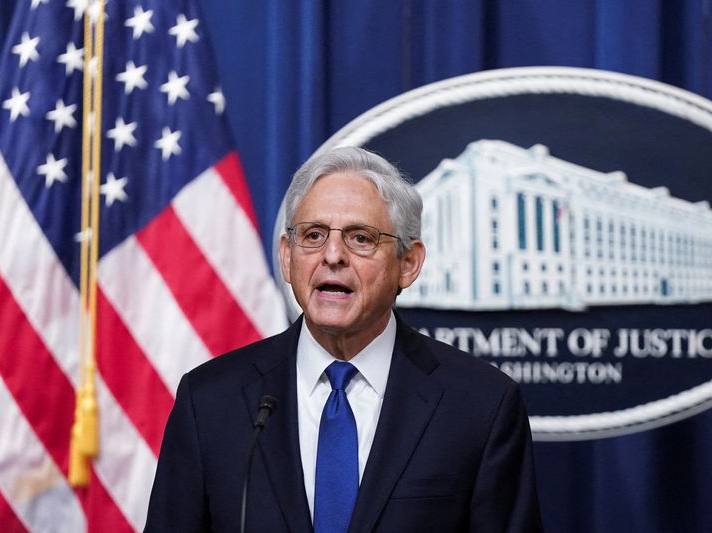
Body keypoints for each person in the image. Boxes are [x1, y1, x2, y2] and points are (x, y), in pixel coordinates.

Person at [145, 146, 543, 532]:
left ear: (408, 263)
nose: (332, 255)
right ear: (287, 257)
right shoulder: (211, 401)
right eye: (314, 235)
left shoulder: (480, 406)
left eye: (361, 238)